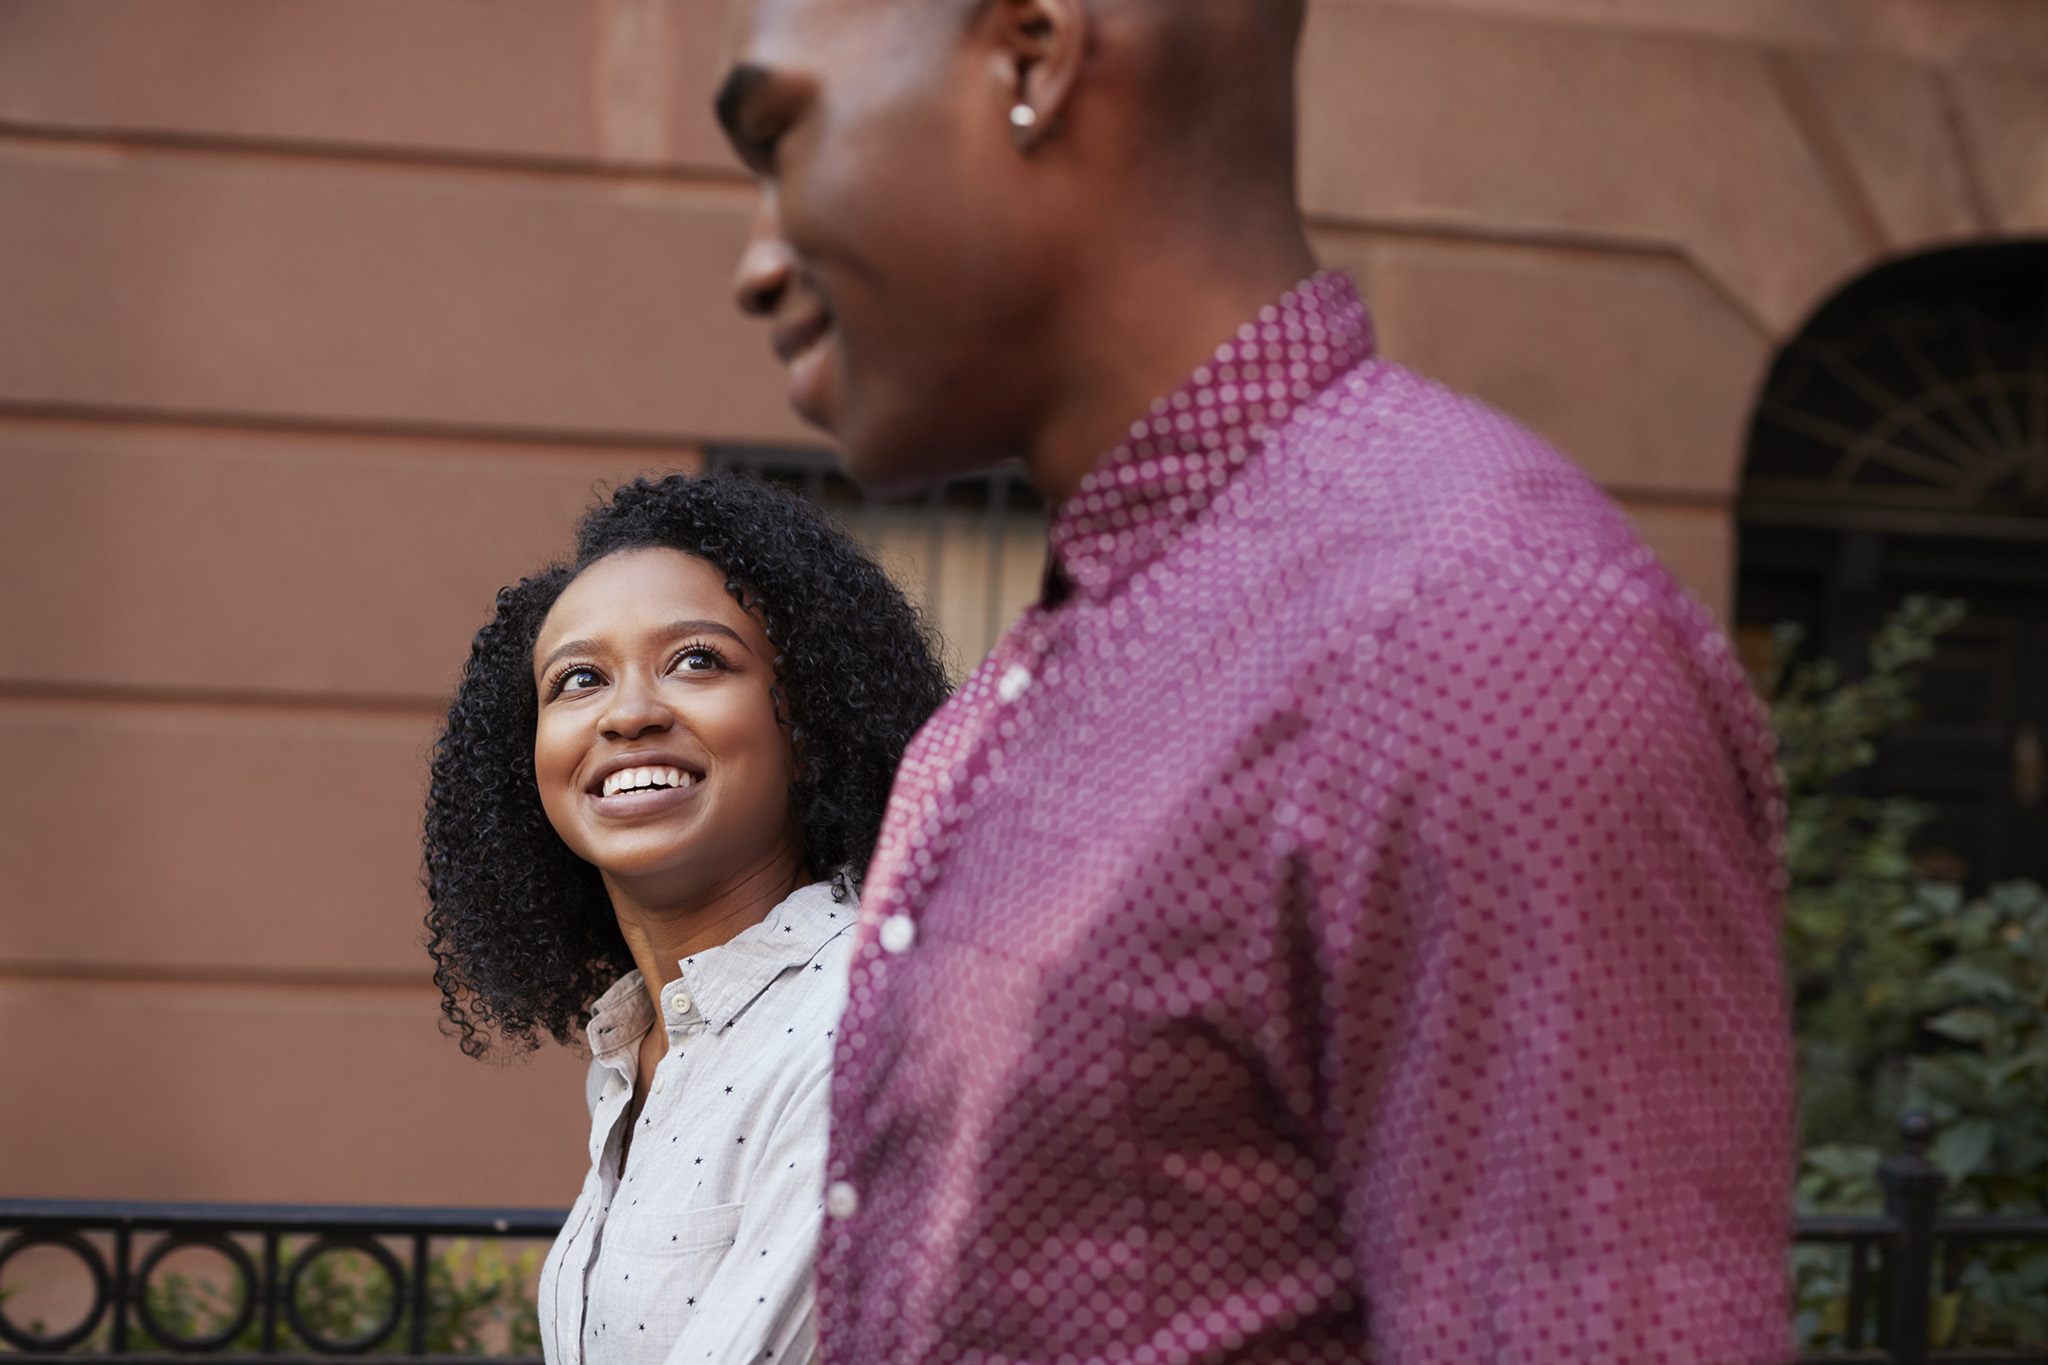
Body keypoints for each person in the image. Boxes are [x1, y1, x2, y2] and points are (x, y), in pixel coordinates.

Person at [716, 1, 1794, 1362]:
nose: (754, 265)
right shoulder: (1007, 704)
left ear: (1035, 51)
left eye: (778, 137)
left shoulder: (1478, 640)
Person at [422, 473, 949, 1365]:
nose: (629, 714)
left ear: (808, 726)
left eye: (698, 659)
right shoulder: (648, 1047)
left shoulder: (861, 1029)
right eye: (579, 679)